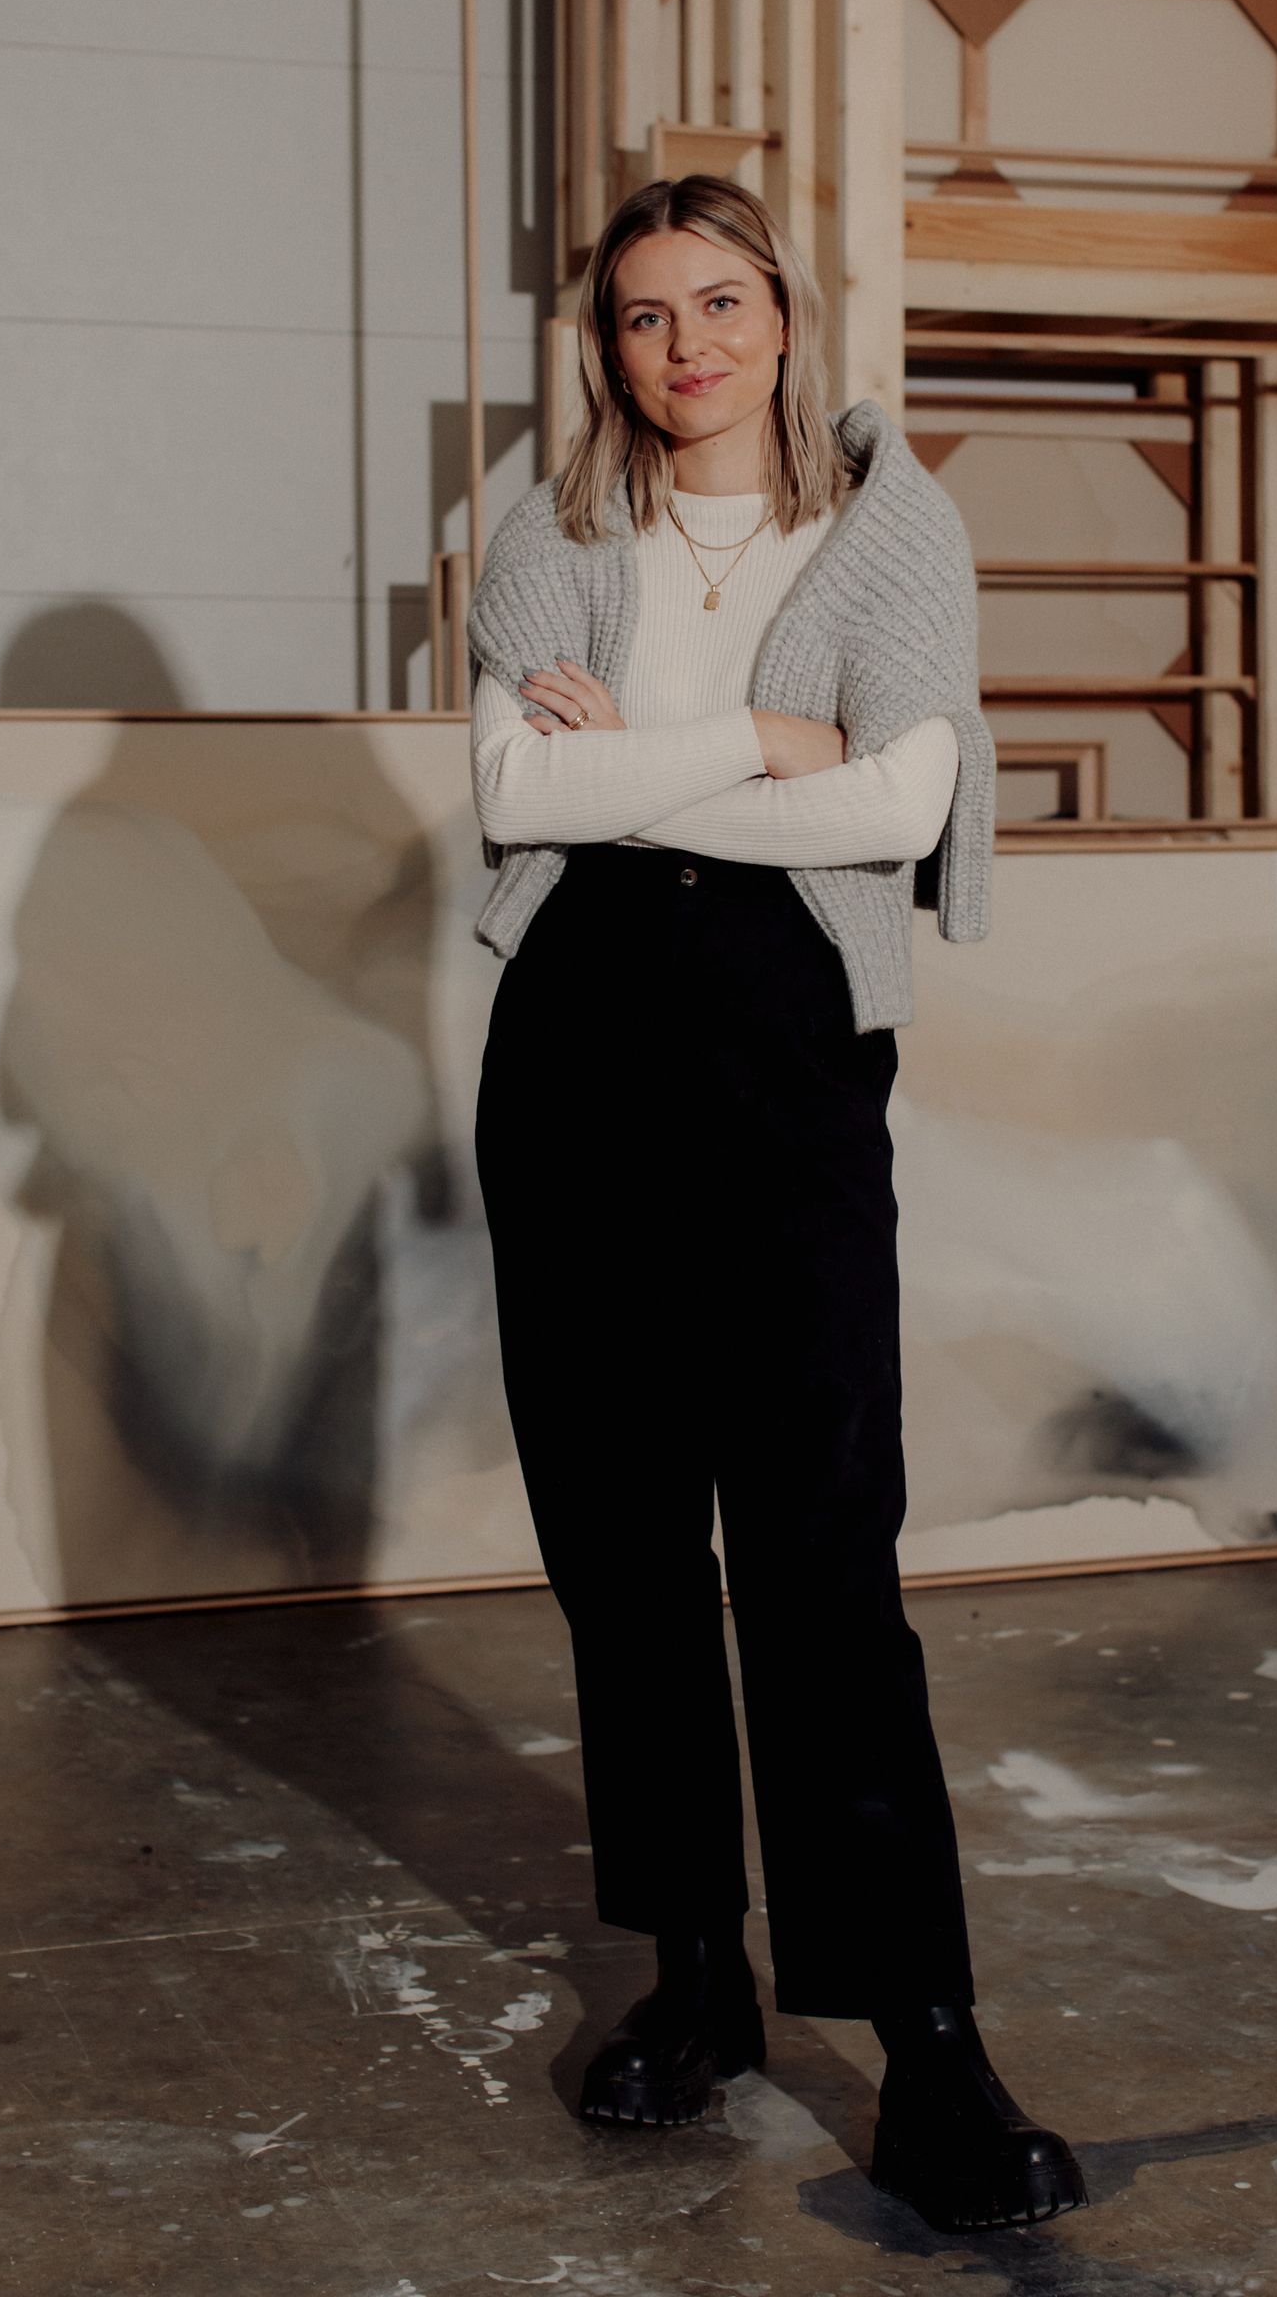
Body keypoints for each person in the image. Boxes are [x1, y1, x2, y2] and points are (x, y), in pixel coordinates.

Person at [465, 175, 1085, 2235]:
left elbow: (903, 802)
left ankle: (926, 2044)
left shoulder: (892, 522)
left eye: (719, 302)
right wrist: (743, 735)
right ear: (603, 345)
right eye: (642, 317)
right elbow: (511, 796)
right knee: (623, 1550)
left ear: (785, 311)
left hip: (783, 1043)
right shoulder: (544, 526)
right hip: (573, 1051)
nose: (685, 349)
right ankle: (698, 1976)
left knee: (821, 1548)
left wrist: (628, 758)